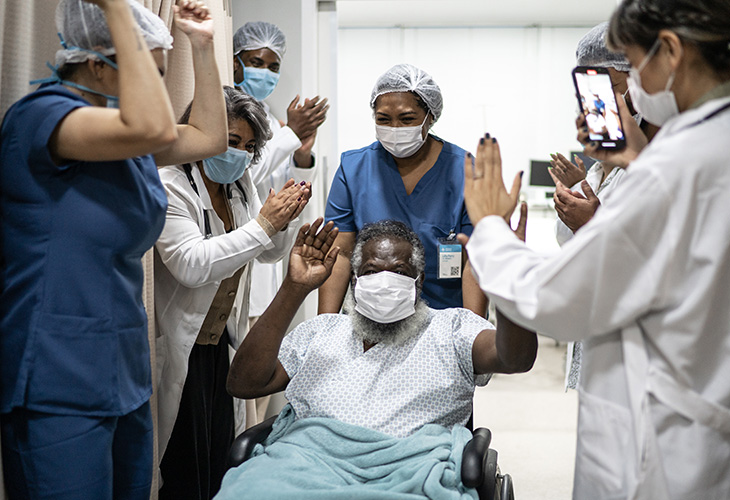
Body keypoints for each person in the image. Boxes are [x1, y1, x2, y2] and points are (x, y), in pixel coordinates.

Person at [460, 0, 730, 496]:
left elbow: (554, 302)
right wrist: (639, 159)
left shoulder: (678, 168)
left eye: (633, 65)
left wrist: (489, 228)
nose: (631, 85)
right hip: (726, 439)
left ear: (671, 52)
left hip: (659, 455)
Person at [0, 0, 227, 498]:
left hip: (122, 370)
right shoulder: (43, 118)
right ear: (98, 63)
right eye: (147, 73)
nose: (155, 94)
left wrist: (203, 48)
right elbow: (154, 128)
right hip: (56, 375)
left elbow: (210, 137)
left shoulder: (128, 144)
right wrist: (115, 10)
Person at [217, 218, 536, 498]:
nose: (384, 281)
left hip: (409, 473)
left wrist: (510, 284)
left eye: (399, 271)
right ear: (355, 282)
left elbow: (515, 358)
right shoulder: (321, 331)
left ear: (418, 282)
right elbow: (243, 383)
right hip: (304, 463)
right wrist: (293, 288)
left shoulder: (451, 329)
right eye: (371, 271)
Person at [154, 86, 311, 500]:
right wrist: (264, 224)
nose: (237, 153)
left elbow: (268, 252)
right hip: (178, 345)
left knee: (218, 459)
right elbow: (191, 264)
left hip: (219, 345)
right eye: (228, 140)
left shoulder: (238, 184)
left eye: (247, 145)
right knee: (179, 466)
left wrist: (286, 219)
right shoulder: (170, 183)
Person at [320, 64, 486, 316]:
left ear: (430, 116)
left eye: (407, 119)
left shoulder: (464, 171)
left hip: (443, 316)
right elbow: (340, 254)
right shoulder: (353, 169)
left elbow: (475, 260)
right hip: (372, 315)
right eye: (383, 119)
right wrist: (325, 325)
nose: (395, 128)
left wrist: (472, 332)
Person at [550, 22, 635, 391]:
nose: (599, 105)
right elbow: (571, 245)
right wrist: (574, 200)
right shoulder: (604, 168)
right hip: (599, 328)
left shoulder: (661, 158)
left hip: (632, 343)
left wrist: (593, 223)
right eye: (590, 94)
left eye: (611, 88)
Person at [232, 20, 329, 323]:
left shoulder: (272, 121)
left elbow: (281, 182)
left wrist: (301, 154)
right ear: (236, 64)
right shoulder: (230, 113)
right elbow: (240, 176)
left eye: (273, 67)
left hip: (271, 254)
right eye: (256, 62)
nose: (265, 72)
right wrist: (292, 135)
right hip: (240, 244)